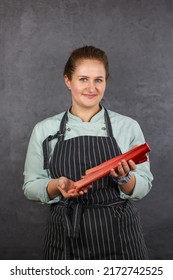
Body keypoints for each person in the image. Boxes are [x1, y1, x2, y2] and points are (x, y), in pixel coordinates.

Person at [23, 45, 153, 260]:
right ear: (68, 81)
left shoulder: (128, 126)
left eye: (98, 80)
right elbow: (31, 186)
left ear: (106, 82)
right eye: (83, 79)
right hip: (64, 237)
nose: (91, 88)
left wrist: (125, 178)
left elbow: (143, 185)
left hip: (119, 237)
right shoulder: (45, 130)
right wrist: (57, 185)